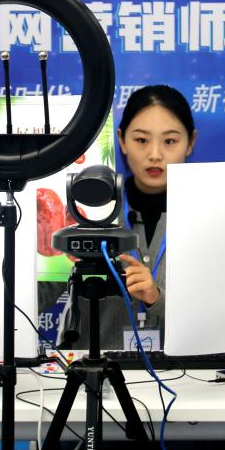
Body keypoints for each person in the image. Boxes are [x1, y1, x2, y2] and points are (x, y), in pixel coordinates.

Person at [54, 84, 196, 351]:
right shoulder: (87, 211)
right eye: (141, 140)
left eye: (170, 141)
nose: (155, 154)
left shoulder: (209, 218)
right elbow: (30, 300)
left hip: (184, 369)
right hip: (91, 366)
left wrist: (157, 298)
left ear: (191, 142)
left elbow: (213, 316)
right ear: (121, 140)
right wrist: (38, 244)